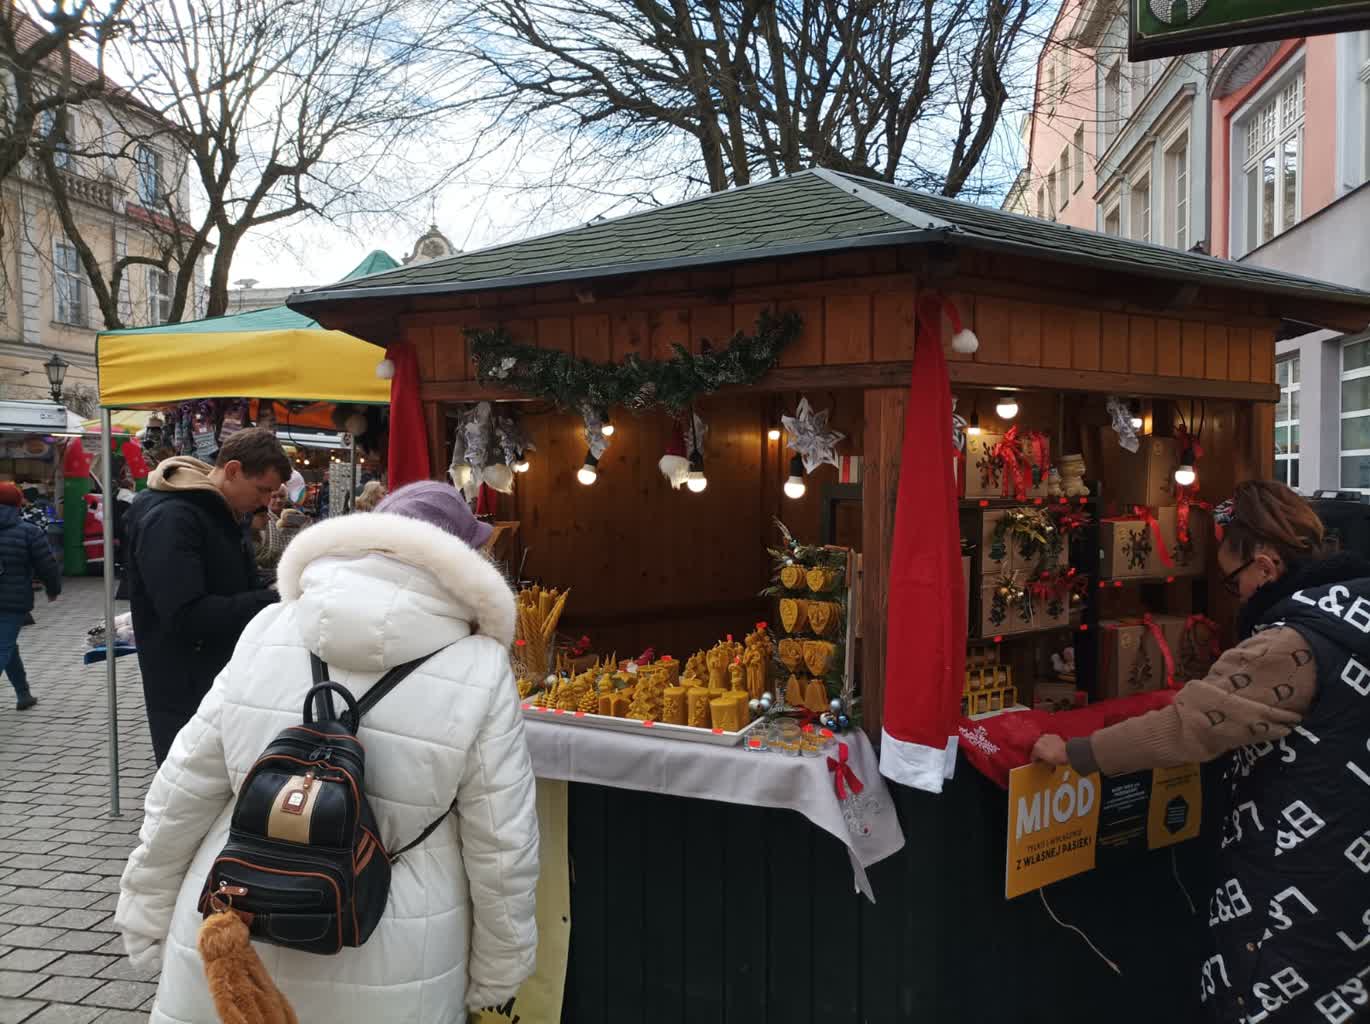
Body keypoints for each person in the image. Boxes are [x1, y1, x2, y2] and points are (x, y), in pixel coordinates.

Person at [116, 479, 538, 1023]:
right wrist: (499, 969)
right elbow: (502, 844)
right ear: (464, 559)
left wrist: (146, 910)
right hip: (394, 939)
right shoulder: (478, 668)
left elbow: (182, 791)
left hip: (239, 922)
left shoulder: (267, 629)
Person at [1032, 481, 1370, 1024]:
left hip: (1294, 880)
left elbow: (1187, 727)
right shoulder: (1355, 610)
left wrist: (1076, 751)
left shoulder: (1291, 644)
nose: (1233, 594)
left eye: (1231, 581)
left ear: (1265, 566)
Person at [123, 428, 290, 764]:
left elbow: (229, 582)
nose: (265, 502)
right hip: (185, 687)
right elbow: (187, 616)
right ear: (232, 470)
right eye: (262, 490)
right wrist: (273, 599)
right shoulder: (173, 517)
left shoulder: (215, 510)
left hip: (213, 679)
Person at [0, 482, 59, 710]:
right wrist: (52, 589)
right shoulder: (28, 531)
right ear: (17, 504)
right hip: (12, 601)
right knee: (4, 646)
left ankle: (23, 693)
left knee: (7, 646)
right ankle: (23, 693)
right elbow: (46, 564)